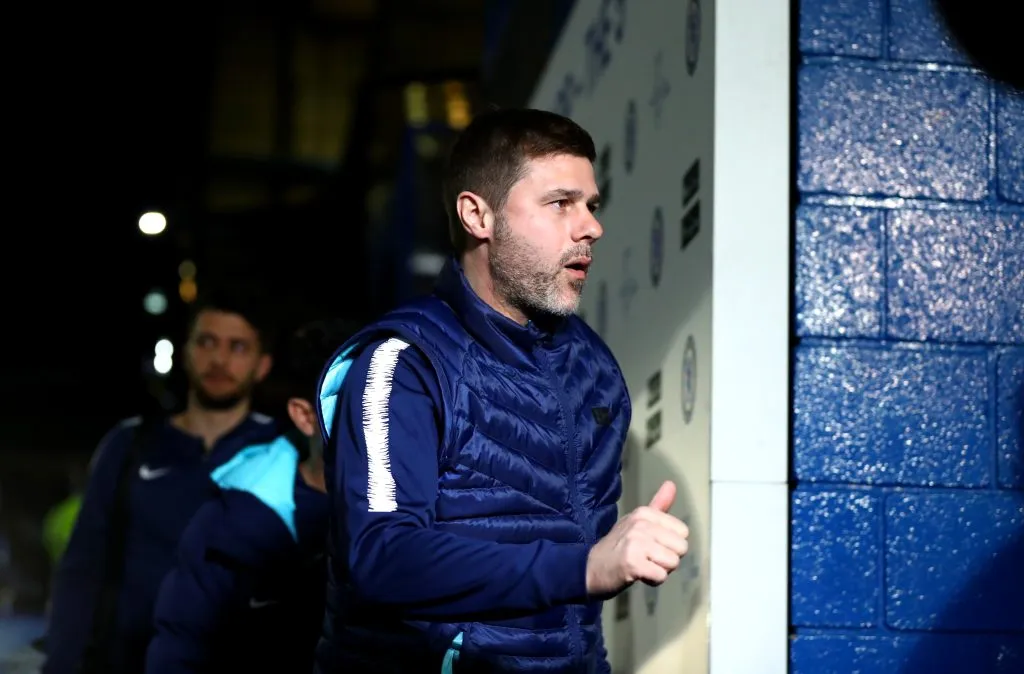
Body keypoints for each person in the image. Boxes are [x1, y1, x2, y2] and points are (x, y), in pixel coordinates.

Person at [313, 108, 690, 673]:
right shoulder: (402, 364)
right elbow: (382, 557)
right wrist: (584, 567)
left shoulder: (593, 368)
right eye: (561, 203)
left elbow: (575, 622)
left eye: (591, 205)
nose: (590, 227)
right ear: (477, 215)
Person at [44, 291, 279, 674]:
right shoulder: (130, 444)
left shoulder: (283, 454)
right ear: (186, 351)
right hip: (124, 662)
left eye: (238, 347)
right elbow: (82, 568)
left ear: (262, 364)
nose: (219, 360)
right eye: (206, 342)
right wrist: (61, 662)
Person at [145, 319, 359, 673]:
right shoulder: (229, 524)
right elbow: (180, 650)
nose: (375, 418)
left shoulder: (428, 510)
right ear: (305, 416)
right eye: (352, 403)